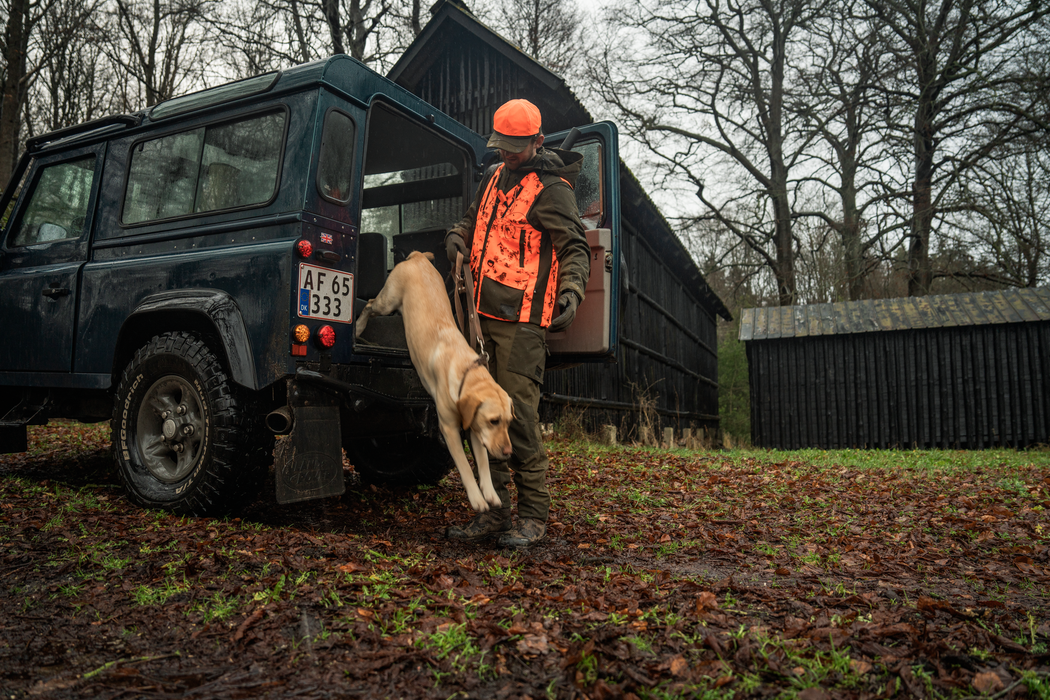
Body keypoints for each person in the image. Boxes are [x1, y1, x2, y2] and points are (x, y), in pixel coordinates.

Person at [444, 98, 591, 548]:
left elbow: (575, 249)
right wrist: (456, 236)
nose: (506, 154)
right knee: (481, 416)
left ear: (537, 141)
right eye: (502, 146)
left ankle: (532, 516)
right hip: (478, 317)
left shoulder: (553, 189)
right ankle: (494, 512)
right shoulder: (491, 178)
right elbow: (473, 221)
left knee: (520, 417)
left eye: (515, 147)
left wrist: (572, 292)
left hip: (523, 322)